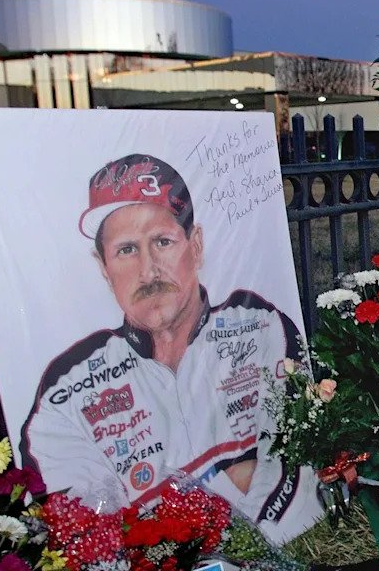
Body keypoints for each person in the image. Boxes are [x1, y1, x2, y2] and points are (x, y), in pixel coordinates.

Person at [19, 153, 318, 539]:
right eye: (126, 250)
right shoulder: (67, 388)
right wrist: (232, 477)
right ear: (103, 268)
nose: (148, 270)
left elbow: (297, 459)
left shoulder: (258, 325)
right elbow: (80, 529)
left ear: (195, 246)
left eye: (162, 241)